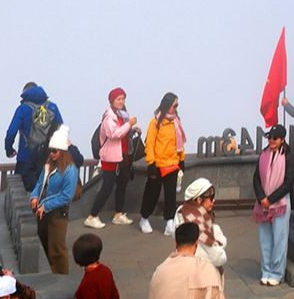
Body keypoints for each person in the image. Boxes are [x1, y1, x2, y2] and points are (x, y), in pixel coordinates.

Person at [85, 87, 137, 228]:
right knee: (107, 187)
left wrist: (131, 128)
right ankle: (92, 216)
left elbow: (123, 131)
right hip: (110, 157)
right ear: (111, 101)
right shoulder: (109, 117)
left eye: (123, 98)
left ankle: (118, 214)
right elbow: (114, 134)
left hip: (122, 156)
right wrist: (129, 124)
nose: (121, 101)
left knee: (122, 185)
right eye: (118, 99)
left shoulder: (121, 115)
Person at [30, 126, 77, 274]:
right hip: (43, 211)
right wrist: (34, 196)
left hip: (58, 214)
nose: (51, 154)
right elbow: (39, 184)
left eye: (55, 151)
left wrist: (45, 205)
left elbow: (66, 196)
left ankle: (61, 279)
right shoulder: (48, 166)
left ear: (62, 151)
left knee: (57, 249)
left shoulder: (70, 170)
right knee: (44, 244)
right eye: (50, 150)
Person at [3, 80, 63, 193]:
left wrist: (9, 150)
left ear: (25, 94)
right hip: (49, 157)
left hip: (25, 159)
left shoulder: (23, 109)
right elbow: (61, 131)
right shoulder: (53, 107)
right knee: (48, 192)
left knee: (20, 193)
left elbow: (11, 132)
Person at [139, 92, 186, 233]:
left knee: (170, 195)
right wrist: (151, 163)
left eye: (177, 105)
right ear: (167, 105)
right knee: (152, 194)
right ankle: (144, 218)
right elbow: (150, 144)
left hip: (172, 163)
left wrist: (181, 159)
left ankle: (169, 221)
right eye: (174, 105)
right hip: (158, 165)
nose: (176, 108)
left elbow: (180, 143)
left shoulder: (176, 121)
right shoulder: (155, 122)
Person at [253, 123, 293, 285]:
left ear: (282, 140)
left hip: (281, 203)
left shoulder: (288, 157)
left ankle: (277, 272)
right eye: (269, 137)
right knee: (265, 238)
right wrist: (262, 197)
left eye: (274, 138)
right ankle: (266, 270)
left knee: (279, 238)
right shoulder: (263, 155)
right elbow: (256, 178)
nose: (271, 140)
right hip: (263, 203)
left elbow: (288, 183)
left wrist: (270, 199)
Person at [176, 177, 228, 272]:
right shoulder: (199, 224)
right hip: (203, 273)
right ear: (199, 200)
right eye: (211, 198)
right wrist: (220, 242)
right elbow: (218, 257)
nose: (214, 201)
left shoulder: (183, 211)